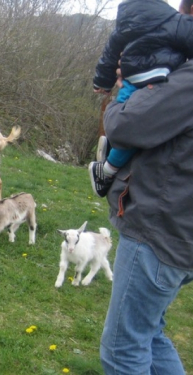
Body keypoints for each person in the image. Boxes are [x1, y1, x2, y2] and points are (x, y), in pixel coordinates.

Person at [99, 2, 193, 373]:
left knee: (123, 349)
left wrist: (125, 89)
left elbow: (125, 126)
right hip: (181, 234)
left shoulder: (188, 81)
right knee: (149, 333)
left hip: (161, 231)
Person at [89, 0, 193, 197]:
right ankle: (109, 167)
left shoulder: (124, 23)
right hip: (158, 76)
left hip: (130, 79)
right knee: (132, 127)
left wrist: (102, 82)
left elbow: (109, 55)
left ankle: (110, 151)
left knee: (125, 110)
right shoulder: (175, 22)